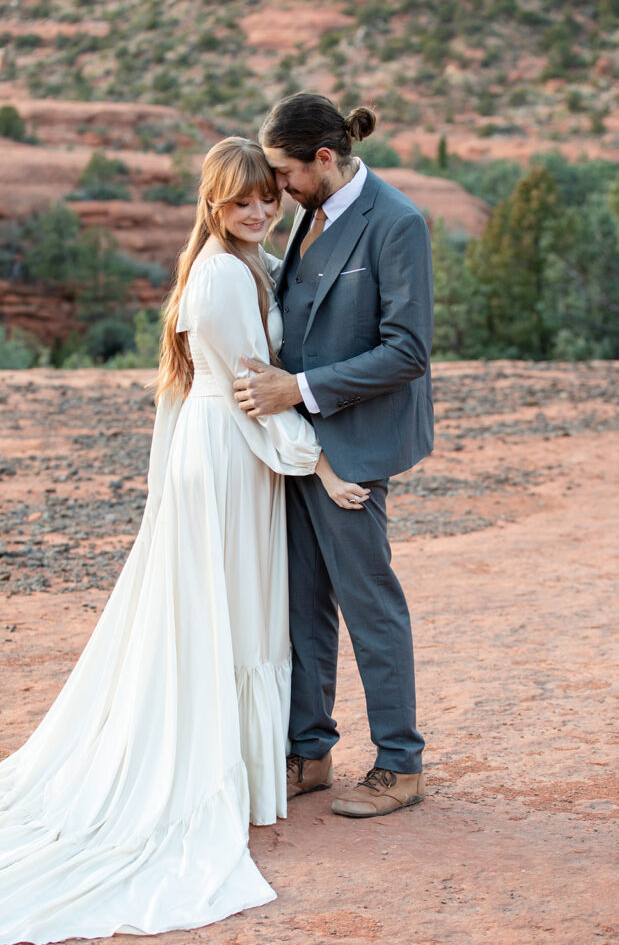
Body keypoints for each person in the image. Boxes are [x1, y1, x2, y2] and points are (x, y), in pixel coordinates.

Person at [0, 136, 368, 945]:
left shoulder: (236, 262)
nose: (260, 210)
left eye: (266, 198)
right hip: (231, 451)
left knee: (228, 605)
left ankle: (242, 770)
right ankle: (216, 774)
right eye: (242, 200)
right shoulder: (219, 276)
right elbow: (252, 391)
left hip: (224, 451)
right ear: (212, 202)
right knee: (225, 605)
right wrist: (322, 468)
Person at [233, 94, 434, 818]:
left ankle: (399, 765)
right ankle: (307, 752)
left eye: (284, 174)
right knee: (301, 605)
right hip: (297, 446)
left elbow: (407, 350)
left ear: (323, 158)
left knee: (367, 602)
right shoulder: (310, 214)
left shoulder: (398, 222)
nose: (276, 191)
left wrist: (300, 388)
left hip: (354, 442)